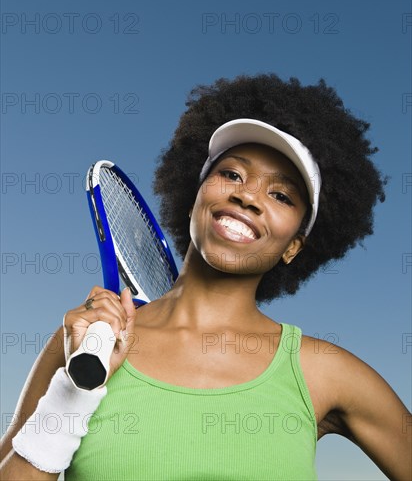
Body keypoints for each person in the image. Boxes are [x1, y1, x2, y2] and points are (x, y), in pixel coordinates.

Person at [1, 74, 410, 480]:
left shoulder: (324, 372)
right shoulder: (84, 343)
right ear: (196, 192)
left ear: (294, 247)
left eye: (281, 196)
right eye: (232, 174)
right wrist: (73, 396)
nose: (247, 195)